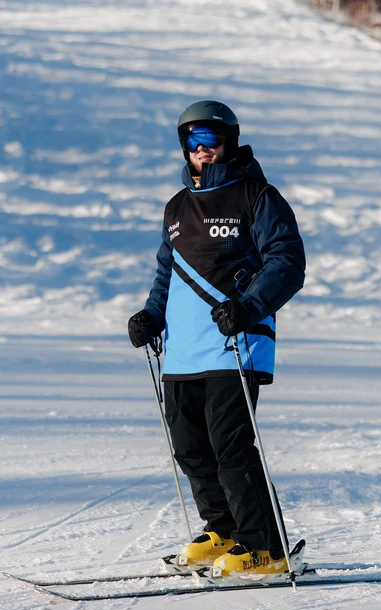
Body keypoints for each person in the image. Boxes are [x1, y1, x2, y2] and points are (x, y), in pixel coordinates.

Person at [127, 100, 305, 577]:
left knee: (231, 448)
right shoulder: (177, 207)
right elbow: (168, 274)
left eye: (211, 140)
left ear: (229, 141)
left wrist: (249, 307)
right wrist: (151, 316)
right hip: (183, 351)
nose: (203, 150)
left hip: (234, 344)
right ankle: (223, 530)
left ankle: (266, 548)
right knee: (189, 446)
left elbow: (287, 263)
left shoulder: (257, 195)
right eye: (193, 141)